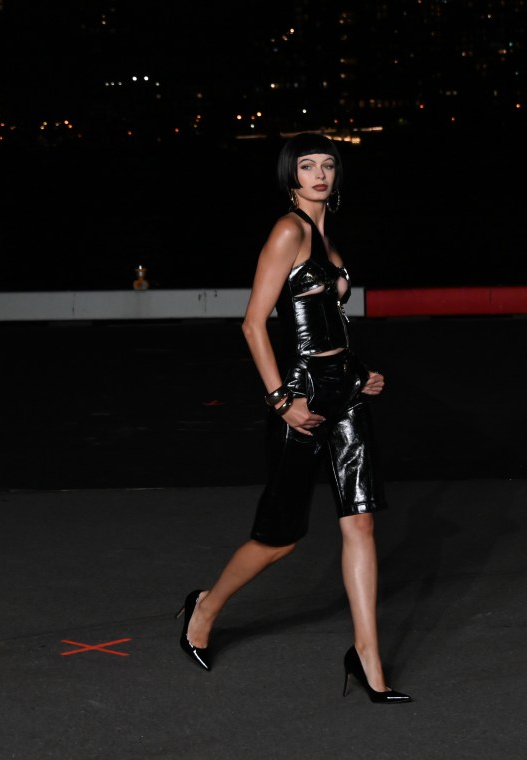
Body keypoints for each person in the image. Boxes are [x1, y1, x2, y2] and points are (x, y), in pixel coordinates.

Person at [176, 132, 412, 704]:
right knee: (280, 539)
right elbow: (254, 324)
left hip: (345, 389)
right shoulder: (289, 230)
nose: (320, 175)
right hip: (302, 394)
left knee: (360, 522)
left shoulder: (329, 236)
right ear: (291, 177)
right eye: (308, 166)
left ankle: (368, 658)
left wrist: (359, 372)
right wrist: (283, 399)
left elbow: (330, 323)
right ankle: (204, 606)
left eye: (328, 165)